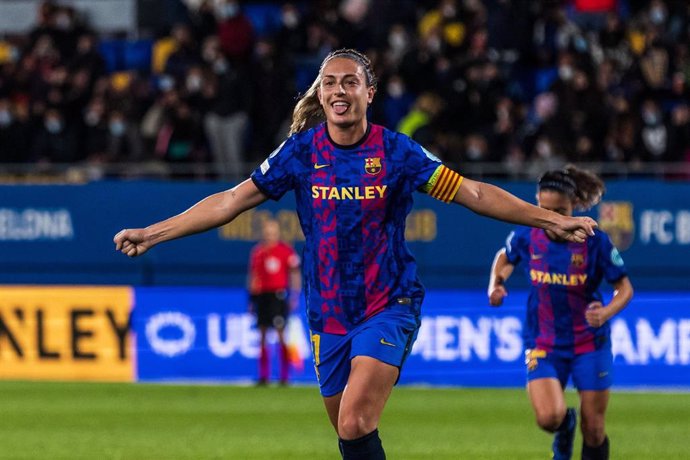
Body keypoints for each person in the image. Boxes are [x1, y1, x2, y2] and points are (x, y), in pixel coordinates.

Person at [114, 48, 597, 460]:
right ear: (320, 94)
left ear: (369, 93)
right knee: (350, 434)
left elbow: (471, 193)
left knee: (354, 419)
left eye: (350, 81)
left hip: (389, 304)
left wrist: (551, 219)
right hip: (327, 313)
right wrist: (154, 233)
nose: (339, 90)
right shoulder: (300, 152)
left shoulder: (398, 152)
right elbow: (229, 202)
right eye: (329, 83)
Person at [487, 165, 633, 460]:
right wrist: (495, 284)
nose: (553, 218)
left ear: (575, 206)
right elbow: (504, 256)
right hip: (543, 342)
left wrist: (605, 313)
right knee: (548, 418)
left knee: (594, 428)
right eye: (545, 209)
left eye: (561, 210)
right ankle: (566, 426)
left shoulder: (595, 241)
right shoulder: (527, 235)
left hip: (589, 344)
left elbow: (625, 288)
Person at [247, 218, 301, 386]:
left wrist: (295, 294)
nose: (270, 235)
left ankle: (284, 377)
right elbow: (254, 276)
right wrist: (251, 299)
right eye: (268, 232)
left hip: (278, 296)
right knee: (262, 334)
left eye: (273, 232)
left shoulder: (286, 251)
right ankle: (264, 376)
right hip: (262, 296)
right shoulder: (258, 252)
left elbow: (295, 273)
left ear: (277, 233)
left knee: (280, 334)